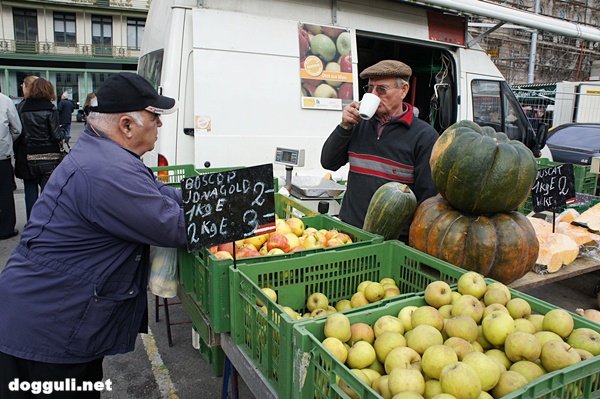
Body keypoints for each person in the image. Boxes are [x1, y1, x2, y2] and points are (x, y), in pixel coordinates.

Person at [0, 72, 185, 398]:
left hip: (54, 321)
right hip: (47, 332)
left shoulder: (107, 155)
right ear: (127, 125)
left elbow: (161, 195)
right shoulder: (105, 171)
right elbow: (173, 225)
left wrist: (216, 196)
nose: (160, 125)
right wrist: (245, 216)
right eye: (155, 117)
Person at [321, 59, 439, 242]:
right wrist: (344, 126)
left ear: (404, 90)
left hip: (391, 244)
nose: (374, 95)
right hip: (349, 234)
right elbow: (328, 162)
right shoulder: (359, 125)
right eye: (370, 89)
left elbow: (427, 202)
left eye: (381, 89)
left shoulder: (424, 137)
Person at [18, 78, 65, 193]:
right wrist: (62, 130)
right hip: (49, 156)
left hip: (31, 155)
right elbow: (56, 136)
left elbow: (21, 132)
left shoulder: (23, 109)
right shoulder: (50, 109)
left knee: (35, 191)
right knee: (49, 194)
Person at [14, 75, 40, 220]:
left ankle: (32, 220)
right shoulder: (49, 106)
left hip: (25, 152)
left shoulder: (21, 107)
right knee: (46, 189)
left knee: (30, 190)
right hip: (45, 154)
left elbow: (16, 130)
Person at [0, 87, 22, 239]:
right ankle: (6, 228)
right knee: (5, 193)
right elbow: (17, 129)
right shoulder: (5, 101)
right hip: (2, 155)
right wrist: (7, 142)